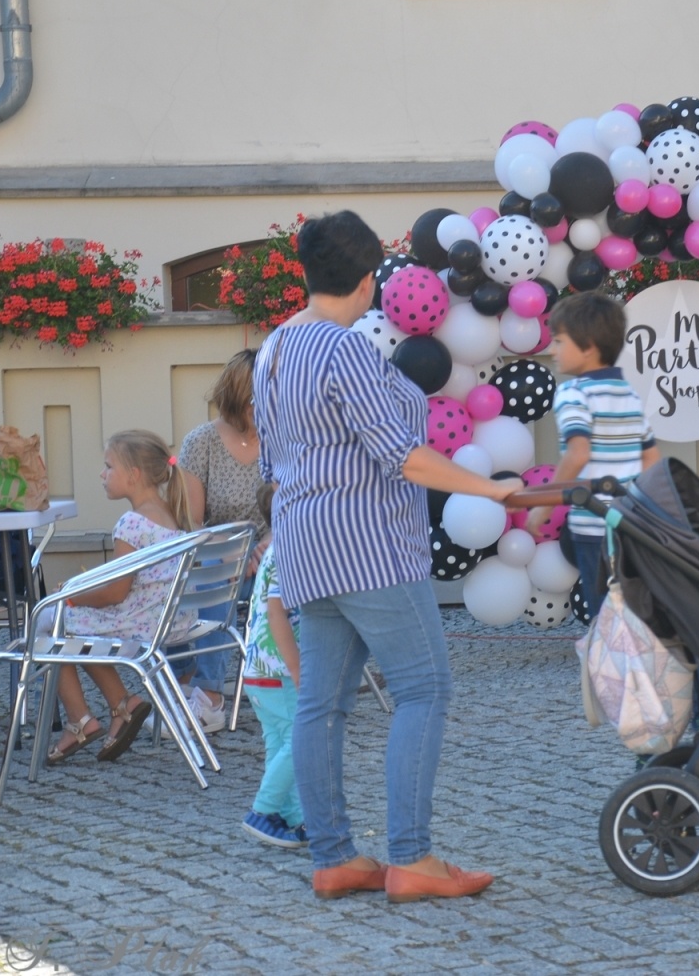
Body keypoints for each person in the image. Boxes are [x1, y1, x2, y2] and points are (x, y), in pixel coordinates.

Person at [253, 210, 521, 904]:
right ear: (370, 280)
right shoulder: (342, 350)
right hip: (367, 545)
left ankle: (336, 856)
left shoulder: (275, 348)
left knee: (321, 703)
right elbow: (404, 459)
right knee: (423, 689)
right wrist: (490, 488)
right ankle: (412, 857)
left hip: (304, 544)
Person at [522, 294, 699, 732]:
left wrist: (542, 503)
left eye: (558, 341)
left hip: (597, 531)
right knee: (663, 617)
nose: (551, 350)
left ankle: (651, 727)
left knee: (617, 631)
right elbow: (652, 459)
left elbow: (578, 452)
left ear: (587, 345)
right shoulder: (628, 393)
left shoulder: (573, 393)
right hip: (635, 526)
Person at [46, 430, 197, 765]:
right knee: (70, 621)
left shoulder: (131, 523)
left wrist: (72, 598)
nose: (102, 474)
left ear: (133, 475)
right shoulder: (173, 512)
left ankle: (82, 720)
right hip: (172, 620)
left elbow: (116, 592)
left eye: (108, 466)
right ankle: (119, 706)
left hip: (145, 623)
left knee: (53, 624)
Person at [176, 348, 265, 734]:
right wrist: (230, 554)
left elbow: (295, 507)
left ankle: (208, 698)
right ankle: (183, 686)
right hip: (215, 554)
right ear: (238, 399)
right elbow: (191, 523)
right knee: (190, 576)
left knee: (211, 579)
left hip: (273, 555)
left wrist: (260, 548)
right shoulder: (201, 443)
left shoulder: (288, 441)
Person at [239, 482, 306, 849]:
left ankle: (294, 818)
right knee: (301, 741)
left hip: (257, 670)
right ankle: (262, 811)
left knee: (281, 743)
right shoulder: (292, 550)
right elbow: (280, 612)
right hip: (280, 669)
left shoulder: (274, 548)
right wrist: (298, 668)